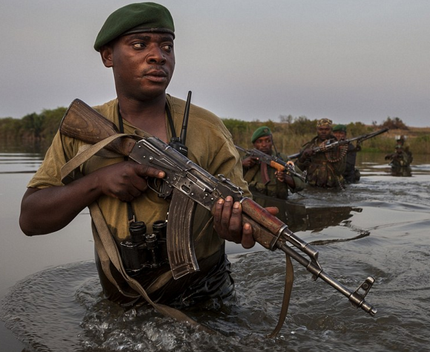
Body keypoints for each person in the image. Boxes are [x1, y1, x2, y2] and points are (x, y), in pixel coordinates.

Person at [19, 3, 269, 313]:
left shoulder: (209, 129)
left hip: (206, 298)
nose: (158, 56)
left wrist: (232, 226)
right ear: (108, 56)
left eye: (167, 46)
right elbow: (30, 219)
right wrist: (98, 182)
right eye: (140, 44)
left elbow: (239, 211)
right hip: (121, 303)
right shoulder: (82, 131)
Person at [241, 126, 305, 199]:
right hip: (255, 205)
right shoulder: (246, 160)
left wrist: (286, 178)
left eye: (268, 141)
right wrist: (241, 165)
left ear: (272, 143)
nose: (264, 145)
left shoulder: (282, 159)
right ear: (254, 144)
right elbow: (231, 181)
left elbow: (302, 183)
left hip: (279, 205)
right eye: (260, 141)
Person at [295, 118, 347, 188]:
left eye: (326, 129)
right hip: (313, 188)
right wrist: (303, 157)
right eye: (321, 129)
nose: (323, 132)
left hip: (333, 188)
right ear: (317, 130)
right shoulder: (309, 147)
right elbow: (297, 170)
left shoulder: (337, 146)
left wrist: (334, 151)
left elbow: (340, 170)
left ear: (331, 130)